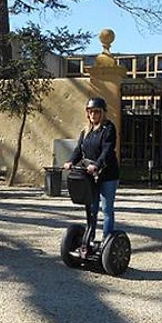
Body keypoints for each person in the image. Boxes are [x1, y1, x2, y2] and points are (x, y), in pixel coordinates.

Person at [63, 97, 120, 239]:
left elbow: (107, 150)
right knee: (92, 209)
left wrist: (97, 165)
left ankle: (107, 241)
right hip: (90, 175)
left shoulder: (108, 128)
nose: (93, 115)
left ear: (102, 113)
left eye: (96, 112)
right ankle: (90, 239)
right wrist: (71, 162)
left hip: (108, 175)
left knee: (106, 210)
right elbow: (79, 150)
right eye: (90, 112)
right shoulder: (86, 131)